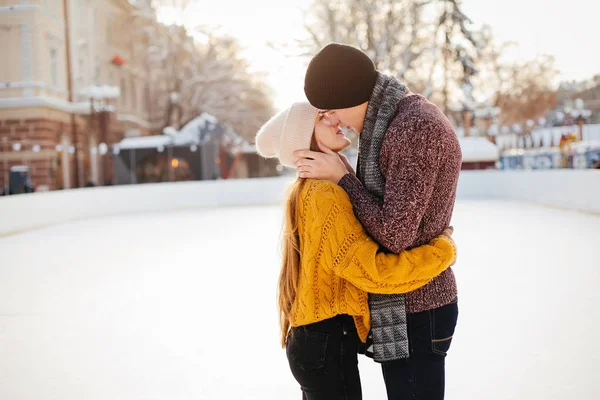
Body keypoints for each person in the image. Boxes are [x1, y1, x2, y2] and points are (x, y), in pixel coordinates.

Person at [255, 101, 458, 400]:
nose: (335, 120)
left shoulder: (310, 188)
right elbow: (375, 273)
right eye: (323, 118)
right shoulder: (325, 195)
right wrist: (442, 250)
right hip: (325, 346)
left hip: (316, 343)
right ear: (305, 138)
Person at [296, 43, 462, 399]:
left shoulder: (412, 128)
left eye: (327, 110)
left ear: (343, 100)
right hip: (406, 303)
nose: (331, 121)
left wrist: (343, 178)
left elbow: (394, 234)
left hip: (420, 306)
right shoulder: (394, 124)